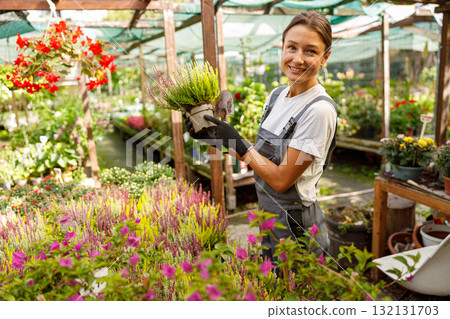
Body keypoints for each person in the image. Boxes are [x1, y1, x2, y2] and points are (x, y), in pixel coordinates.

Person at [185, 11, 337, 260]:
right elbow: (260, 155)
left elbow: (280, 180)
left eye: (310, 51)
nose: (298, 59)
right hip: (268, 212)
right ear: (282, 48)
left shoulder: (318, 110)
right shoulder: (277, 96)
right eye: (292, 47)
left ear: (325, 57)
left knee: (293, 293)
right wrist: (214, 137)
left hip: (295, 221)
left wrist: (239, 143)